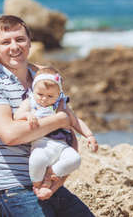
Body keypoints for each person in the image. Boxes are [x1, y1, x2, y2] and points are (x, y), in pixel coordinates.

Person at [0, 15, 95, 216]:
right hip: (15, 188)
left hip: (53, 185)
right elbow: (11, 135)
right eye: (5, 42)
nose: (14, 46)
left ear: (30, 42)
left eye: (20, 39)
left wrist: (57, 180)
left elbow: (69, 134)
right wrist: (60, 119)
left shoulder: (43, 81)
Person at [14, 66, 98, 198]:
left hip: (63, 145)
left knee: (74, 159)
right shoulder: (30, 102)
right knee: (37, 160)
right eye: (40, 94)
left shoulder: (61, 104)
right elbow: (17, 115)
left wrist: (89, 135)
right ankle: (38, 185)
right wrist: (27, 115)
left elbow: (75, 121)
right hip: (42, 144)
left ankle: (49, 176)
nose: (44, 99)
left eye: (50, 96)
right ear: (34, 89)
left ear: (58, 94)